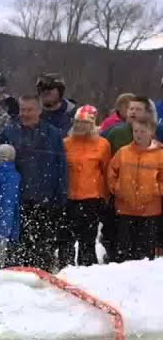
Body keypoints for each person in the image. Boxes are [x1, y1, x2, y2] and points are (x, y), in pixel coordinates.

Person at [0, 96, 68, 272]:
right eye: (23, 109)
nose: (25, 114)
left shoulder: (53, 134)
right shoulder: (9, 132)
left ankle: (42, 273)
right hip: (17, 197)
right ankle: (15, 271)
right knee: (16, 241)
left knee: (42, 241)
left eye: (29, 110)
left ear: (39, 111)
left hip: (45, 196)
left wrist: (61, 195)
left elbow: (61, 166)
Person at [106, 117, 163, 262]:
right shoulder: (123, 152)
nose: (138, 134)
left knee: (145, 252)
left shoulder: (160, 154)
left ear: (151, 132)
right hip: (125, 209)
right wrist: (117, 188)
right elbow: (112, 172)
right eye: (136, 131)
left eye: (142, 131)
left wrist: (156, 190)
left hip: (150, 211)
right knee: (125, 250)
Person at [64, 105, 113, 266]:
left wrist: (105, 197)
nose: (80, 126)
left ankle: (88, 269)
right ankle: (66, 268)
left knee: (88, 240)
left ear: (92, 124)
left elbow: (106, 171)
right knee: (66, 238)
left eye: (85, 123)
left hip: (92, 198)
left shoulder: (102, 144)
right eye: (77, 122)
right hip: (69, 197)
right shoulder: (66, 143)